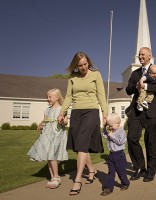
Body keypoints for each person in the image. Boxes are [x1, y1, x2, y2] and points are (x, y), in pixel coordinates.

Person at [57, 52, 108, 196]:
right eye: (80, 65)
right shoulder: (72, 78)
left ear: (89, 63)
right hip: (76, 113)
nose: (83, 67)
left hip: (91, 111)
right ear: (76, 66)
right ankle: (91, 170)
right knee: (80, 145)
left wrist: (104, 113)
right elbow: (68, 96)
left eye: (85, 64)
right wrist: (63, 111)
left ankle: (77, 180)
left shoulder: (96, 75)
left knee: (82, 144)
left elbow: (101, 94)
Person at [125, 47, 156, 182]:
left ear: (150, 56)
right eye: (139, 55)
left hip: (152, 111)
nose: (140, 56)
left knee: (151, 142)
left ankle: (151, 171)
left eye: (143, 54)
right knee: (132, 138)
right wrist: (137, 86)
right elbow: (128, 90)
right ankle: (139, 167)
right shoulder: (135, 73)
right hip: (136, 110)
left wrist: (145, 86)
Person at [27, 88, 68, 189]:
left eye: (50, 97)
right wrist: (41, 125)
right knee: (48, 157)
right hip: (47, 134)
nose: (48, 98)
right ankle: (53, 176)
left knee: (51, 156)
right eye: (47, 97)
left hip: (57, 134)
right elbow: (44, 121)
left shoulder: (62, 109)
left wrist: (62, 121)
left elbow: (66, 122)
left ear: (57, 97)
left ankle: (56, 178)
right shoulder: (47, 109)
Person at [100, 113, 130, 196]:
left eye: (111, 126)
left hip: (119, 155)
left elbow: (121, 142)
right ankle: (108, 188)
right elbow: (105, 135)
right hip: (111, 155)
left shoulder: (121, 132)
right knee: (111, 172)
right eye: (109, 126)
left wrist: (112, 136)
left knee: (121, 171)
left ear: (118, 124)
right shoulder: (111, 131)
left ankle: (125, 183)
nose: (110, 127)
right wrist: (104, 127)